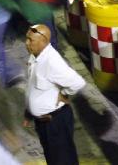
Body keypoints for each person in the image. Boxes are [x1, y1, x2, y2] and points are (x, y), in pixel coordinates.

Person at [24, 23, 85, 165]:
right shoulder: (34, 57)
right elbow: (33, 87)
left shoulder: (52, 62)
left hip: (56, 123)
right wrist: (29, 112)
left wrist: (64, 93)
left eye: (30, 40)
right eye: (26, 38)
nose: (26, 43)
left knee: (63, 160)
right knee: (53, 158)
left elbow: (77, 82)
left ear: (44, 42)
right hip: (44, 123)